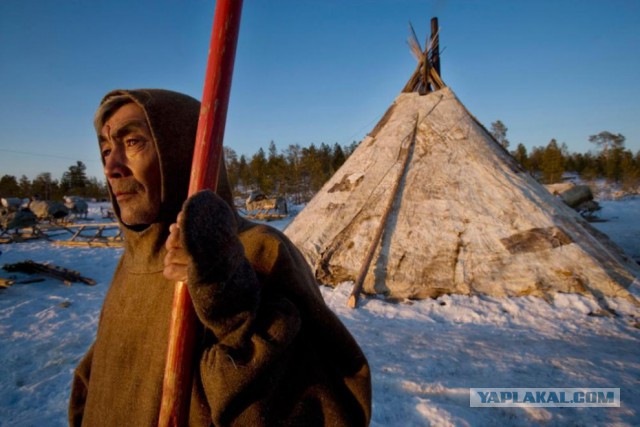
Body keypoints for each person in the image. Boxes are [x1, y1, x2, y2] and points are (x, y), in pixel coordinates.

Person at [68, 89, 371, 426]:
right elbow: (104, 379)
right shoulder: (132, 262)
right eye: (106, 150)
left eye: (133, 142)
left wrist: (234, 309)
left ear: (181, 152)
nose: (111, 167)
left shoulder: (260, 251)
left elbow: (326, 407)